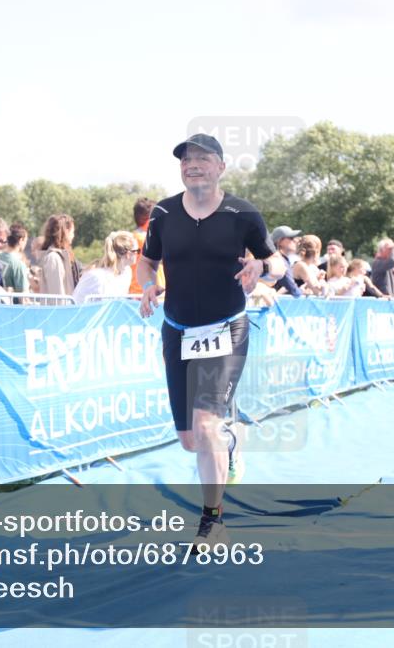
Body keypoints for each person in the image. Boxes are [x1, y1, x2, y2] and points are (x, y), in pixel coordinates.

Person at [137, 134, 284, 549]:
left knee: (205, 426)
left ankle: (212, 522)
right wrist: (147, 285)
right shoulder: (164, 212)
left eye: (202, 158)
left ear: (221, 166)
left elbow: (277, 261)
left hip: (227, 328)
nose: (193, 165)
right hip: (177, 329)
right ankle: (230, 443)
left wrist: (261, 267)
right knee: (190, 440)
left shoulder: (242, 212)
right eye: (186, 159)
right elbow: (147, 261)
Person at [73, 230, 137, 304]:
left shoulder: (127, 272)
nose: (138, 254)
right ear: (128, 254)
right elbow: (76, 304)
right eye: (137, 251)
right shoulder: (95, 277)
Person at [37, 214, 80, 299]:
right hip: (59, 307)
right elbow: (57, 295)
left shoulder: (59, 257)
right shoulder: (53, 258)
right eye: (72, 232)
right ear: (66, 231)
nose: (73, 236)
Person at [128, 198, 164, 294]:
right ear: (149, 218)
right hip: (149, 292)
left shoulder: (131, 237)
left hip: (137, 291)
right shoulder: (146, 238)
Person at [0, 223, 31, 304]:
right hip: (12, 308)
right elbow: (23, 296)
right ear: (21, 240)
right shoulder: (18, 264)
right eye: (26, 240)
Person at [269, 225, 302, 298]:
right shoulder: (279, 261)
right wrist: (302, 291)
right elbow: (293, 290)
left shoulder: (279, 258)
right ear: (280, 241)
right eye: (291, 238)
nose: (296, 240)